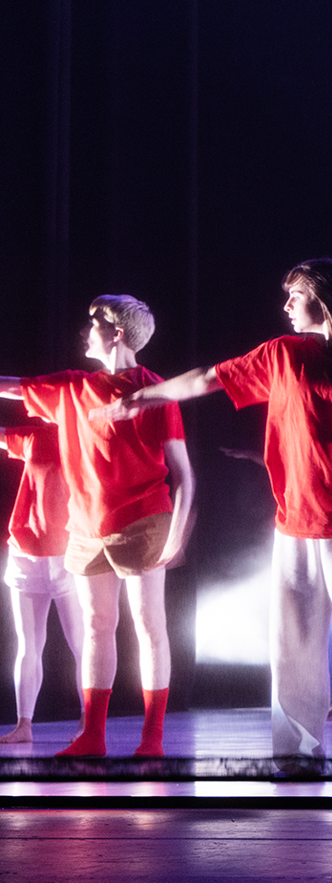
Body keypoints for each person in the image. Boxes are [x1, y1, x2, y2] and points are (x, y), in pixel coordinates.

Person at [98, 261, 332, 761]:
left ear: (326, 301)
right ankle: (298, 751)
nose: (286, 306)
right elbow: (206, 378)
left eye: (297, 295)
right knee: (293, 644)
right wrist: (145, 397)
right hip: (295, 522)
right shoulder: (282, 354)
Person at [5, 296, 195, 758]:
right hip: (86, 527)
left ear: (117, 333)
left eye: (94, 322)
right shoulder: (73, 387)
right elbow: (15, 387)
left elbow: (183, 473)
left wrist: (176, 534)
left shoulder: (155, 392)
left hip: (144, 519)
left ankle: (152, 739)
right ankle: (92, 735)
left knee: (149, 625)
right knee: (96, 626)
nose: (86, 330)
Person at [0, 421, 82, 746]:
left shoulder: (84, 432)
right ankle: (24, 725)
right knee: (28, 644)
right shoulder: (34, 436)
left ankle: (89, 722)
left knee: (82, 646)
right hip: (27, 548)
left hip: (69, 552)